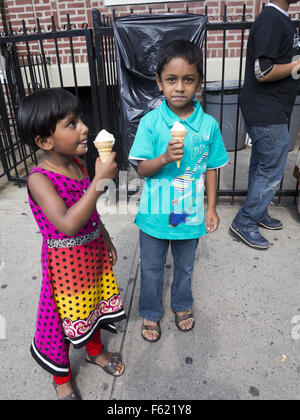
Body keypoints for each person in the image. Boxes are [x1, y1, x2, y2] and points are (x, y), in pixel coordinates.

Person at [17, 88, 126, 400]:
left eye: (81, 120)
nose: (85, 128)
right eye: (72, 123)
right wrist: (97, 183)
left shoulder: (76, 166)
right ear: (44, 141)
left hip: (91, 255)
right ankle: (61, 379)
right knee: (63, 322)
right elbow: (65, 222)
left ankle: (94, 350)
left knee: (92, 307)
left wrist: (104, 237)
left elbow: (88, 210)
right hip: (65, 266)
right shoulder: (40, 179)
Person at [129, 40, 229, 342]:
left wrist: (211, 208)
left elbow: (212, 168)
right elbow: (140, 168)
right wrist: (163, 158)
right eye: (172, 79)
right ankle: (150, 311)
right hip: (154, 215)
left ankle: (182, 304)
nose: (180, 87)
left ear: (199, 82)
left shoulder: (208, 126)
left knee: (185, 267)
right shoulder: (150, 123)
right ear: (160, 83)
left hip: (189, 214)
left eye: (188, 79)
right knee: (151, 269)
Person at [230, 0, 300, 250]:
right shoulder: (271, 19)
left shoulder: (281, 19)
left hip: (271, 107)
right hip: (265, 108)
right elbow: (263, 71)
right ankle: (245, 222)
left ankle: (257, 213)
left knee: (262, 164)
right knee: (271, 169)